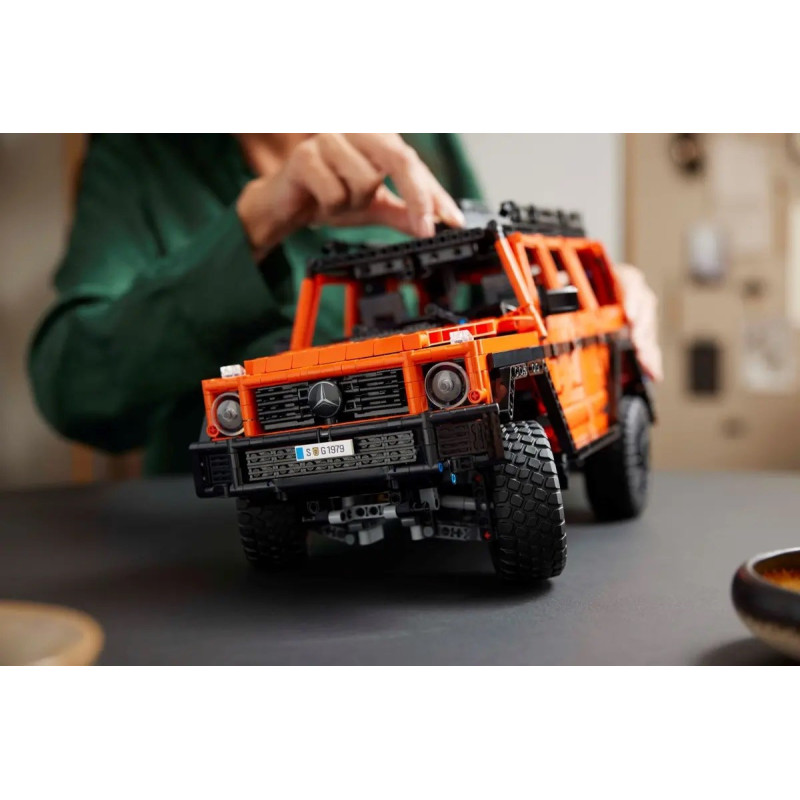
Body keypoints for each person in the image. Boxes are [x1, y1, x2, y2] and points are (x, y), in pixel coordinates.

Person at [28, 133, 661, 475]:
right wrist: (254, 222)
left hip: (454, 480)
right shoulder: (140, 152)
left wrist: (596, 286)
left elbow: (492, 283)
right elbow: (72, 389)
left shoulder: (424, 141)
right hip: (214, 545)